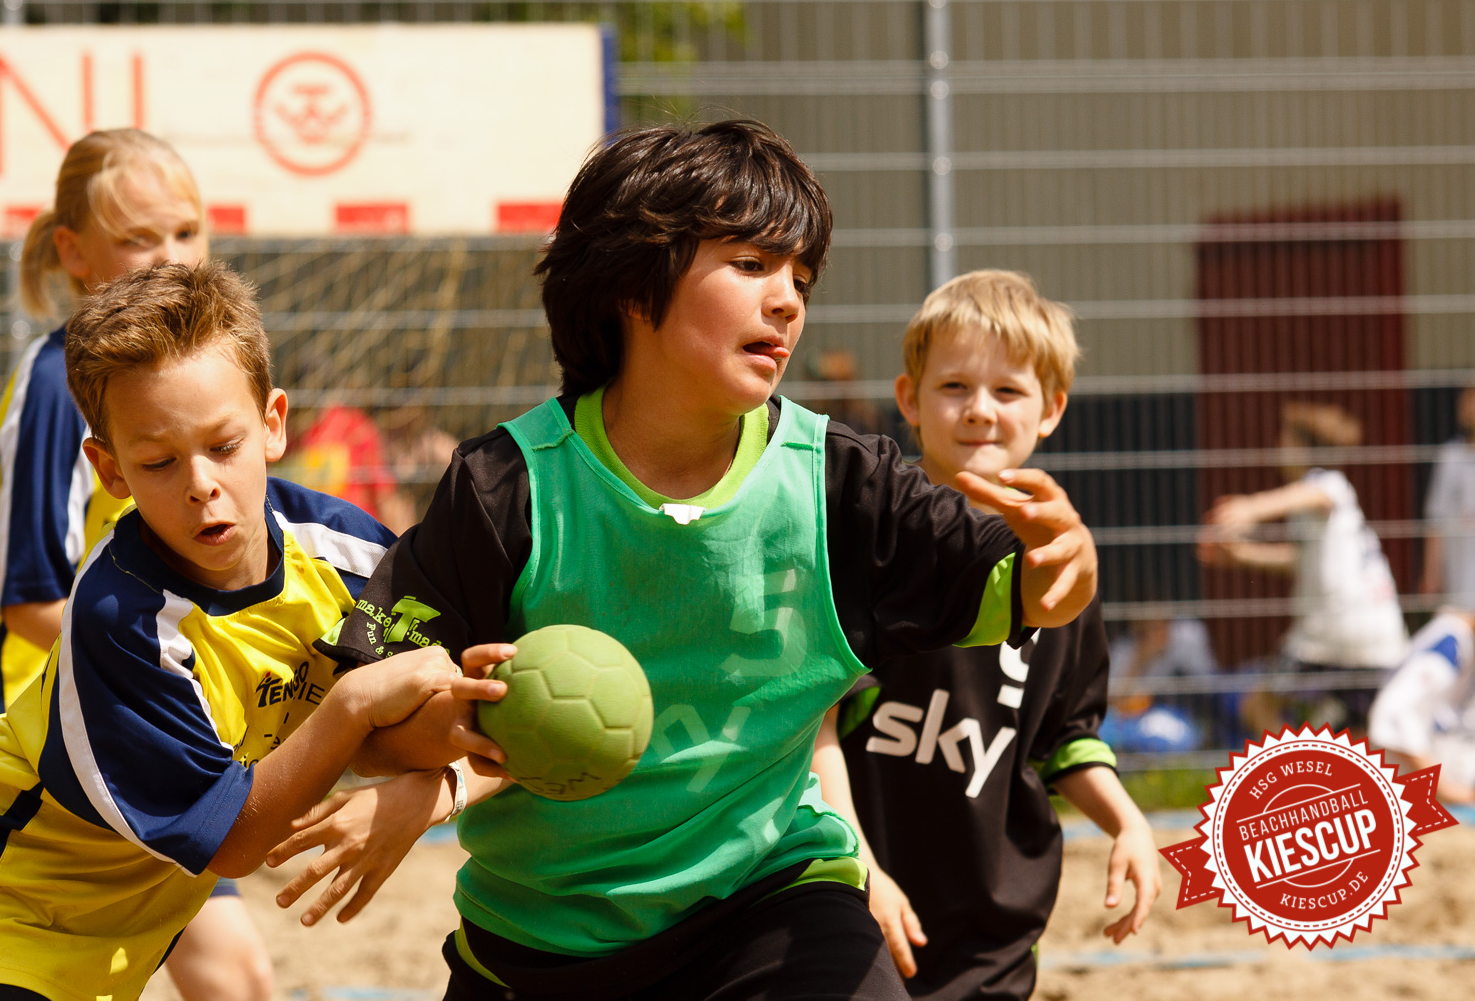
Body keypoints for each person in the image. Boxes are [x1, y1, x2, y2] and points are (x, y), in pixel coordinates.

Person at [266, 121, 1099, 1001]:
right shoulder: (505, 485)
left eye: (801, 278)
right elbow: (381, 700)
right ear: (635, 281)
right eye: (750, 265)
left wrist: (1064, 560)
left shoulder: (841, 482)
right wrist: (447, 737)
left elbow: (1030, 593)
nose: (787, 300)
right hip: (542, 936)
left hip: (772, 897)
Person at [0, 263, 482, 1001]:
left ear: (272, 424)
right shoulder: (121, 612)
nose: (200, 482)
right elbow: (236, 840)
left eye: (223, 445)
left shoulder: (349, 555)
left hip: (132, 920)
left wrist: (432, 788)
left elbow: (449, 717)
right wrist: (353, 704)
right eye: (160, 461)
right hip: (1, 899)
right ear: (110, 470)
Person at [0, 129, 272, 1001]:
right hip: (16, 745)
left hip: (124, 723)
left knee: (240, 975)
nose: (171, 257)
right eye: (140, 238)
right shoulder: (56, 381)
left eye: (187, 232)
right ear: (74, 254)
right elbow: (30, 599)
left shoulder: (183, 387)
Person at [809, 271, 1159, 1000]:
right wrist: (860, 868)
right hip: (859, 889)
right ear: (909, 399)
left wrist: (1127, 820)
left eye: (1007, 391)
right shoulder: (868, 545)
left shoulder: (1062, 566)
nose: (979, 411)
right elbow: (818, 728)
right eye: (954, 387)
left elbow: (1066, 736)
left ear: (1051, 408)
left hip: (989, 926)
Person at [1198, 401, 1409, 733]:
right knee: (1359, 734)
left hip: (1329, 635)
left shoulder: (1328, 483)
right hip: (1380, 638)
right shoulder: (1327, 510)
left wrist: (1251, 507)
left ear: (1301, 448)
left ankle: (1297, 775)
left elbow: (1315, 494)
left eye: (1284, 441)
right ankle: (1326, 775)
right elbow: (1302, 561)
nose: (1278, 449)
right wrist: (1242, 555)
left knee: (1258, 706)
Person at [1368, 608, 1475, 805]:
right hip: (1402, 775)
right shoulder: (1449, 648)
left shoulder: (1456, 639)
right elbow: (1392, 714)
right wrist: (1442, 786)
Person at [1102, 617, 1216, 754]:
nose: (1156, 634)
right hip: (1135, 719)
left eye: (1159, 626)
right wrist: (1139, 660)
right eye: (1147, 629)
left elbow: (1208, 685)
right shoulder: (1124, 649)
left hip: (1180, 715)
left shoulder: (1187, 639)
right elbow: (1113, 701)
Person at [1422, 384, 1475, 609]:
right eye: (1465, 401)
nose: (1468, 408)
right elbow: (1436, 521)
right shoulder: (1450, 457)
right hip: (1460, 581)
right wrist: (1431, 574)